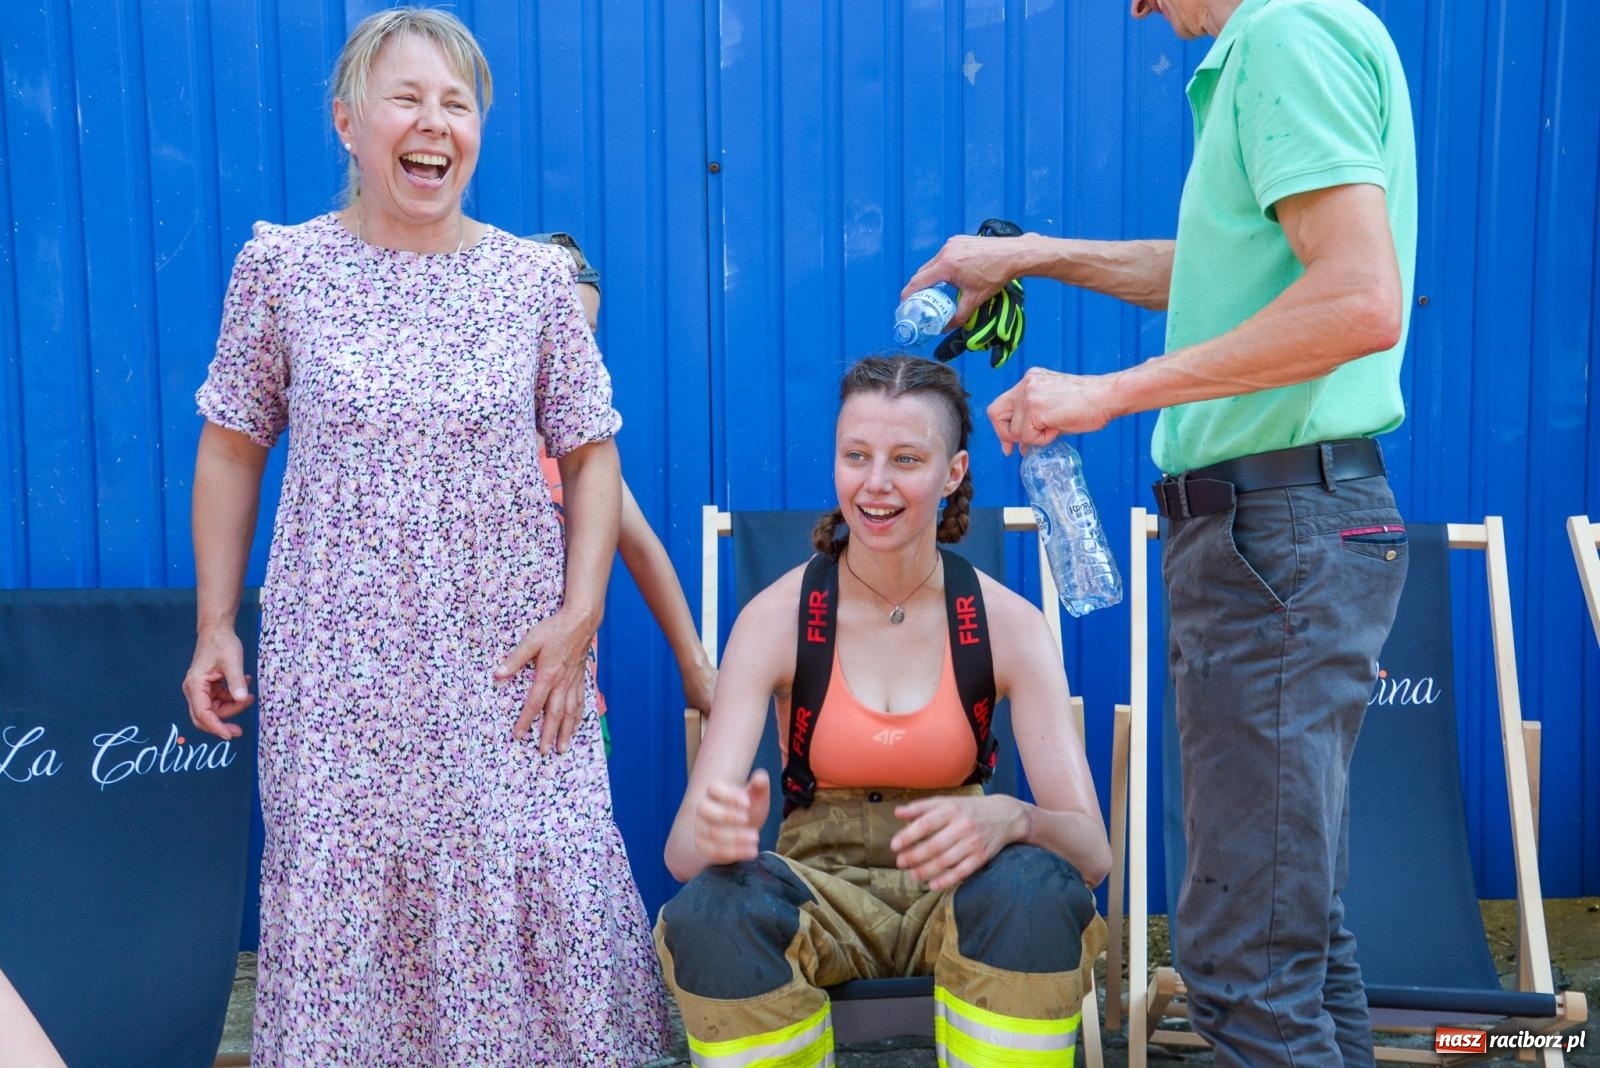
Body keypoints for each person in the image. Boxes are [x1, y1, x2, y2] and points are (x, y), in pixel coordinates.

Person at [904, 1, 1416, 1064]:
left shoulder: (1283, 38)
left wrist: (1112, 393)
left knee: (1242, 971)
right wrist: (1032, 257)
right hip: (1287, 534)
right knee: (1296, 940)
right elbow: (1222, 278)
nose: (1138, 8)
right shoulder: (1306, 34)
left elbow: (1361, 298)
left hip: (1268, 535)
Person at [180, 8, 670, 1064]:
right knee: (353, 906)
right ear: (350, 123)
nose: (433, 123)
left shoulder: (532, 281)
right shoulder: (283, 269)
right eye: (407, 98)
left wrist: (580, 616)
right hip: (341, 677)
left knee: (542, 873)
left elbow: (591, 453)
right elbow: (232, 444)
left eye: (457, 104)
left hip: (509, 666)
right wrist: (216, 622)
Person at [655, 355, 1111, 1067]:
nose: (875, 484)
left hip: (960, 886)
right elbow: (682, 857)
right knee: (715, 910)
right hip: (817, 890)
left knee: (1037, 886)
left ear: (953, 472)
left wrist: (1016, 819)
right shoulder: (777, 619)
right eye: (855, 456)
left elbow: (1091, 854)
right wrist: (717, 837)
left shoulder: (1006, 623)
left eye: (906, 459)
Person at [527, 232, 718, 739]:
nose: (575, 354)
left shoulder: (578, 459)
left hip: (570, 709)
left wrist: (694, 665)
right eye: (560, 334)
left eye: (586, 334)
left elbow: (641, 548)